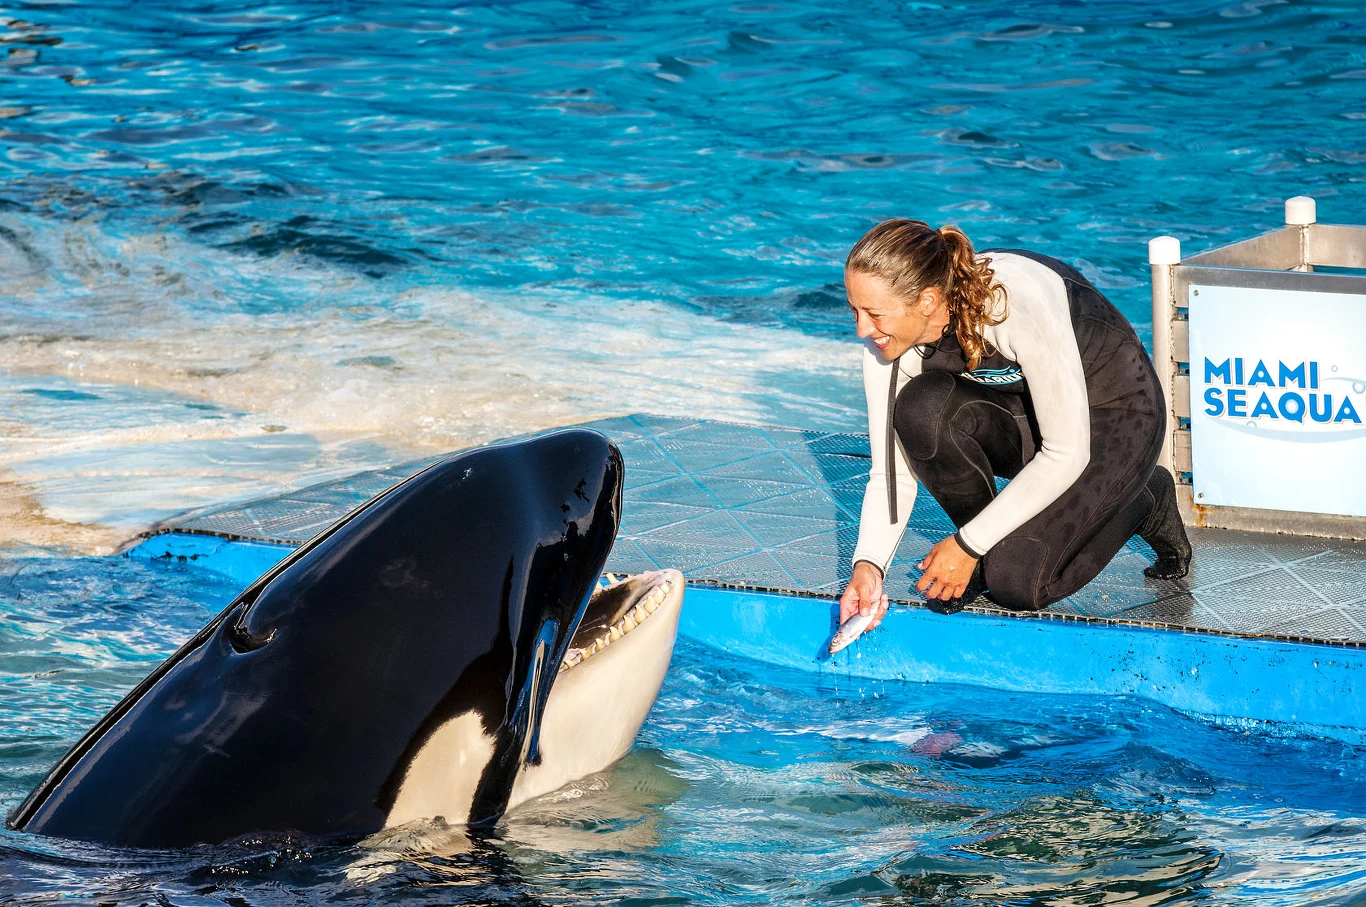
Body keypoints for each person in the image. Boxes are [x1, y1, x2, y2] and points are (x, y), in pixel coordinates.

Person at [838, 219, 1192, 630]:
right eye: (855, 310)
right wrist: (868, 566)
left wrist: (967, 544)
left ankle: (1145, 499)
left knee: (1018, 583)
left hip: (1116, 418)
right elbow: (890, 475)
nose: (862, 329)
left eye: (875, 314)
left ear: (929, 300)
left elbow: (1067, 451)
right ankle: (983, 557)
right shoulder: (888, 342)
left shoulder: (1013, 303)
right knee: (920, 411)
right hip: (1029, 418)